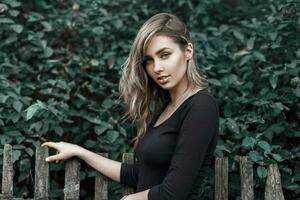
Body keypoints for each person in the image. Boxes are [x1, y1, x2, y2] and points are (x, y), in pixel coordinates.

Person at [41, 13, 219, 200]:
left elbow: (173, 193)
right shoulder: (165, 108)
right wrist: (80, 151)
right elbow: (140, 175)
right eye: (148, 60)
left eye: (165, 55)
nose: (156, 68)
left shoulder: (201, 107)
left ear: (188, 51)